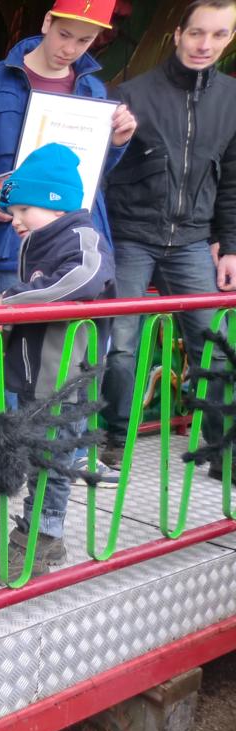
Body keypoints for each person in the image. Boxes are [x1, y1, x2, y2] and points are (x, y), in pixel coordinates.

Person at [0, 0, 136, 482]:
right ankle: (21, 454)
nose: (71, 49)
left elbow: (92, 175)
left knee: (75, 353)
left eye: (84, 40)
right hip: (10, 239)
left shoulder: (94, 88)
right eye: (65, 35)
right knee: (22, 351)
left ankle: (62, 456)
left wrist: (118, 143)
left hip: (75, 238)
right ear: (46, 23)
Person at [0, 143, 115, 584]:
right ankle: (47, 532)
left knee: (52, 456)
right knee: (44, 455)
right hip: (38, 374)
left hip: (66, 377)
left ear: (56, 203)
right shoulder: (40, 240)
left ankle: (35, 540)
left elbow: (84, 278)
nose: (15, 220)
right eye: (13, 211)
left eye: (23, 210)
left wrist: (10, 302)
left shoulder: (81, 237)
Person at [101, 0, 236, 476]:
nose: (205, 45)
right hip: (131, 235)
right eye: (197, 33)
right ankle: (114, 437)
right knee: (120, 344)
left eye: (218, 35)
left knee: (215, 345)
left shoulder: (232, 99)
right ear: (177, 34)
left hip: (193, 239)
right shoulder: (131, 93)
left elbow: (232, 181)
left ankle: (222, 450)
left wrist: (231, 246)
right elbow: (103, 171)